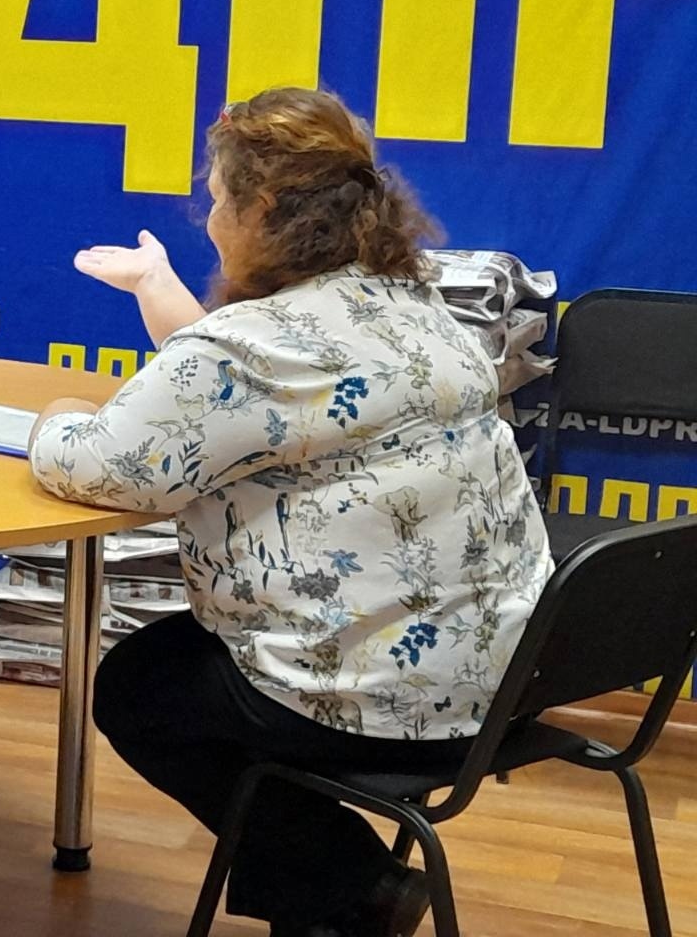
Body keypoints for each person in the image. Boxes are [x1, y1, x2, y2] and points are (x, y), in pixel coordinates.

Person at [28, 88, 551, 937]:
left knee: (138, 691)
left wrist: (53, 418)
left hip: (376, 705)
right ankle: (331, 903)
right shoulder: (416, 303)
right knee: (187, 680)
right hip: (508, 679)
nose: (209, 221)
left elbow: (103, 467)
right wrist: (159, 291)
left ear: (263, 209)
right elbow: (262, 402)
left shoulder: (246, 351)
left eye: (217, 199)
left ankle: (353, 888)